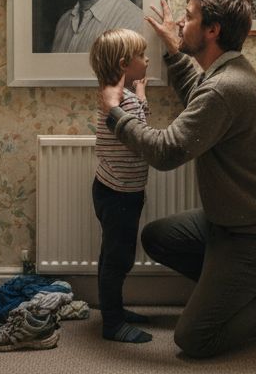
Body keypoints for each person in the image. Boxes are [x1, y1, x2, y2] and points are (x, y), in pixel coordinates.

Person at [98, 0, 256, 358]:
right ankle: (239, 291)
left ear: (212, 30)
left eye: (190, 15)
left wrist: (114, 113)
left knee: (195, 338)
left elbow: (166, 151)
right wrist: (173, 46)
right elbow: (198, 90)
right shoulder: (226, 72)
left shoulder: (224, 87)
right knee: (157, 238)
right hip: (227, 223)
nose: (181, 21)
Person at [87, 28, 154, 344]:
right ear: (126, 63)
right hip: (119, 195)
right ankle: (112, 323)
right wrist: (138, 99)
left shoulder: (120, 96)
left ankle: (114, 311)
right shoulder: (120, 102)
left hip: (115, 189)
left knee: (113, 255)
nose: (147, 60)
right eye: (142, 56)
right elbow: (143, 138)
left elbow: (138, 124)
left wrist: (140, 94)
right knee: (118, 258)